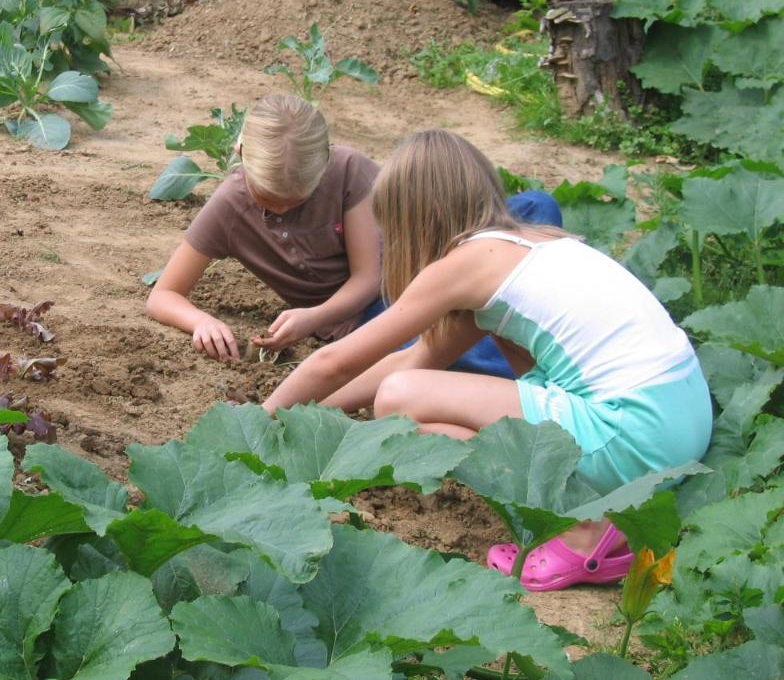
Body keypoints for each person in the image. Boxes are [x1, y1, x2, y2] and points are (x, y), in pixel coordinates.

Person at [261, 129, 712, 592]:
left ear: (416, 219)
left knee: (397, 401)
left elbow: (337, 362)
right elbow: (416, 358)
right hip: (682, 422)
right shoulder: (529, 245)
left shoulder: (465, 265)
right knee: (420, 380)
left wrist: (260, 423)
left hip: (633, 434)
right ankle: (599, 506)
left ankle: (583, 531)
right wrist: (304, 415)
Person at [146, 94, 562, 374]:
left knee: (537, 207)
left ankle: (527, 319)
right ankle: (525, 363)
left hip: (408, 273)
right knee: (434, 350)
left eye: (298, 201)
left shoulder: (346, 167)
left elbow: (369, 276)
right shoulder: (229, 207)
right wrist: (200, 321)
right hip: (370, 314)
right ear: (240, 157)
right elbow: (163, 294)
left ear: (323, 162)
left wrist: (311, 318)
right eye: (271, 200)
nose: (284, 210)